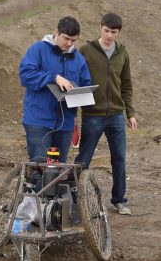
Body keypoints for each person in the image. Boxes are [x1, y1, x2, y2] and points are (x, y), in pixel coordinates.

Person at [19, 16, 91, 191]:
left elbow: (86, 83)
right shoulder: (37, 50)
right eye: (66, 38)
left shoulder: (79, 59)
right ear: (56, 32)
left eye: (73, 40)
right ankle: (35, 212)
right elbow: (26, 75)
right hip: (38, 120)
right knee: (38, 169)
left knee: (59, 170)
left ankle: (55, 213)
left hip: (65, 122)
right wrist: (53, 77)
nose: (69, 43)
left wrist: (80, 92)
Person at [75, 13, 137, 215]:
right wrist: (75, 113)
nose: (110, 35)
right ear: (100, 28)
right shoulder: (86, 50)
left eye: (114, 32)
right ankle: (75, 201)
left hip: (117, 116)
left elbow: (126, 85)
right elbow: (76, 80)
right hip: (93, 115)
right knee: (84, 158)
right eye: (106, 31)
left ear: (119, 32)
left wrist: (130, 113)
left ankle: (119, 200)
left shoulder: (122, 53)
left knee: (119, 158)